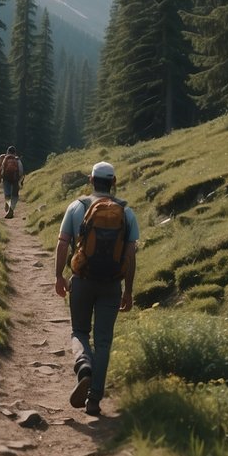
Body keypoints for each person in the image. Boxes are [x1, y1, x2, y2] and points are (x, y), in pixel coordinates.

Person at [54, 160, 139, 416]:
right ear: (113, 182)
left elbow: (62, 244)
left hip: (81, 281)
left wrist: (59, 276)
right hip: (112, 284)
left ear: (91, 180)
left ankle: (83, 367)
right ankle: (94, 400)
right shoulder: (126, 212)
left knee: (79, 331)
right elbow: (131, 255)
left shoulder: (76, 207)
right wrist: (128, 290)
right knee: (103, 341)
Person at [0, 145, 24, 219]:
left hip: (6, 178)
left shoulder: (4, 158)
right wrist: (20, 180)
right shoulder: (17, 159)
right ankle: (11, 209)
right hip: (15, 179)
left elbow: (0, 168)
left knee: (7, 194)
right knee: (15, 196)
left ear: (7, 152)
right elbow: (21, 171)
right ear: (15, 153)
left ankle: (7, 203)